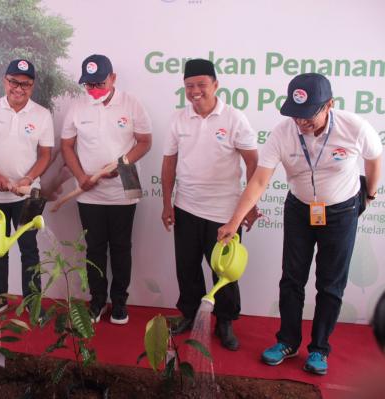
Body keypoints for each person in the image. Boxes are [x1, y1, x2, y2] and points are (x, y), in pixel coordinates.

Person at [217, 73, 382, 375]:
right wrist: (234, 221)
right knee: (292, 279)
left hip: (342, 211)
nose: (301, 123)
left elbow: (374, 158)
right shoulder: (282, 133)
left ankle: (319, 349)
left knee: (330, 284)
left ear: (330, 104)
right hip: (299, 209)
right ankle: (287, 342)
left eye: (309, 116)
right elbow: (260, 181)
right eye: (296, 115)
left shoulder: (355, 128)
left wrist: (369, 194)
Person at [160, 59, 259, 350]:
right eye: (189, 86)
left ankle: (225, 322)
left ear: (215, 85)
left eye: (201, 85)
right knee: (187, 266)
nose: (195, 91)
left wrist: (250, 206)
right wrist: (167, 203)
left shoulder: (234, 118)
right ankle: (190, 314)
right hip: (186, 206)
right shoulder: (179, 119)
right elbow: (169, 163)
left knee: (223, 271)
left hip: (225, 213)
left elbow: (253, 162)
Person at [61, 54, 152, 325]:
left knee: (122, 248)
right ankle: (97, 301)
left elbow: (145, 142)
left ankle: (120, 303)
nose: (93, 90)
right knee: (95, 249)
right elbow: (67, 145)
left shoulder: (132, 104)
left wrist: (121, 164)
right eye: (88, 85)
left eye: (99, 83)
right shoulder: (77, 106)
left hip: (126, 184)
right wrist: (81, 177)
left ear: (113, 78)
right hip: (89, 190)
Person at [0, 59, 53, 318]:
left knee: (29, 248)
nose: (19, 88)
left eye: (26, 84)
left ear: (32, 86)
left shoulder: (42, 114)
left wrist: (28, 179)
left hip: (29, 196)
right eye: (14, 82)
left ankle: (33, 301)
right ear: (4, 81)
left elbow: (45, 155)